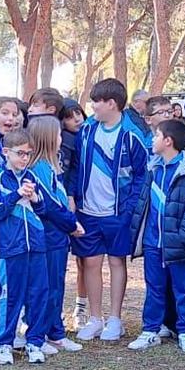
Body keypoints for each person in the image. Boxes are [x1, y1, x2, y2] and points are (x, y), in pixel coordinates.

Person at [71, 78, 149, 343]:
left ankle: (115, 318)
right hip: (87, 211)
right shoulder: (87, 131)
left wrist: (127, 210)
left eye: (96, 102)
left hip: (117, 214)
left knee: (117, 262)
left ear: (111, 104)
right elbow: (75, 167)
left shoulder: (131, 134)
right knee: (90, 263)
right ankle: (95, 317)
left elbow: (141, 175)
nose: (92, 107)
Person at [0, 128, 72, 363]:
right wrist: (15, 195)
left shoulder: (31, 176)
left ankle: (35, 341)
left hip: (36, 245)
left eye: (28, 154)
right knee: (11, 295)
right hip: (11, 247)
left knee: (39, 294)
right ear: (6, 152)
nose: (24, 159)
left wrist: (36, 200)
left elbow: (44, 209)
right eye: (20, 153)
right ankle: (5, 343)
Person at [128, 119, 185, 352]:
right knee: (154, 287)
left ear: (168, 141)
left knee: (183, 288)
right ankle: (150, 330)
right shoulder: (152, 167)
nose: (152, 140)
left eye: (156, 135)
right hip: (153, 241)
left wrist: (183, 238)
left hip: (179, 243)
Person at [24, 115, 80, 354]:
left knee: (56, 285)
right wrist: (72, 223)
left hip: (57, 237)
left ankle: (55, 331)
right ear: (47, 139)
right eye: (57, 135)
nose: (61, 139)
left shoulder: (51, 166)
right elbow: (49, 206)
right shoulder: (37, 169)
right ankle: (38, 334)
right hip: (46, 236)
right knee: (44, 287)